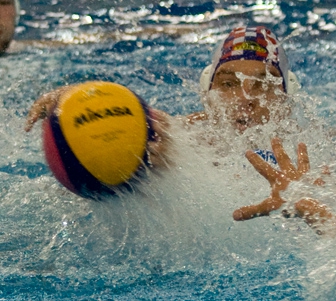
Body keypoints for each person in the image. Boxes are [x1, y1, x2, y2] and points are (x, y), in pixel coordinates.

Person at [24, 25, 320, 220]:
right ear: (207, 92)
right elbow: (124, 122)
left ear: (287, 96)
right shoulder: (179, 135)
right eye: (228, 84)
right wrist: (76, 102)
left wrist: (305, 201)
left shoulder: (319, 150)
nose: (245, 98)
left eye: (264, 85)